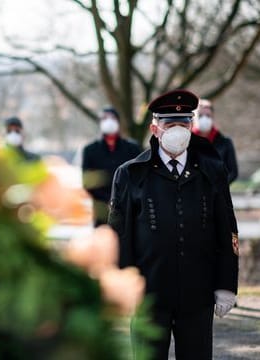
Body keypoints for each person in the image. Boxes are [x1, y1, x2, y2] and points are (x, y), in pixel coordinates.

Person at [108, 89, 239, 359]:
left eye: (184, 123)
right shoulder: (131, 174)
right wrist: (122, 284)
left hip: (197, 293)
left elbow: (226, 227)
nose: (178, 130)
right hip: (149, 293)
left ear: (192, 126)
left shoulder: (211, 171)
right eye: (170, 124)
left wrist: (226, 283)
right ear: (155, 128)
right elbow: (119, 235)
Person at [82, 107, 142, 226]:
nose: (109, 121)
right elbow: (87, 181)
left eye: (112, 118)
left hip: (129, 208)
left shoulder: (132, 148)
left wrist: (123, 200)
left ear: (118, 122)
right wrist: (108, 201)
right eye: (105, 118)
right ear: (100, 123)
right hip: (102, 210)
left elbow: (139, 177)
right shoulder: (90, 150)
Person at [193, 99, 239, 184]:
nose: (204, 119)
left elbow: (233, 172)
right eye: (200, 115)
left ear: (212, 117)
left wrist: (218, 186)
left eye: (208, 116)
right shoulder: (186, 142)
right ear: (194, 118)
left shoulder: (225, 143)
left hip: (217, 194)